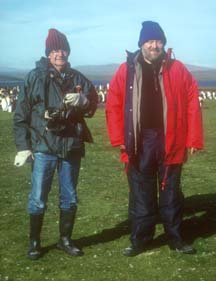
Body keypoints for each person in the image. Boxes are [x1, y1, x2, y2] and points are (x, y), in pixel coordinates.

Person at [106, 21, 203, 256]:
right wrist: (119, 137)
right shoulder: (126, 69)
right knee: (141, 191)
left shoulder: (177, 69)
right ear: (141, 44)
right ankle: (140, 240)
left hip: (171, 138)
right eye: (150, 41)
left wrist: (194, 139)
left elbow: (192, 102)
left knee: (171, 192)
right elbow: (114, 104)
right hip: (139, 140)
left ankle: (176, 238)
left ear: (163, 44)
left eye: (158, 41)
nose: (154, 45)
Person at [13, 28, 98, 260]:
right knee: (38, 197)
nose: (60, 53)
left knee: (69, 196)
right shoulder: (34, 77)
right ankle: (34, 242)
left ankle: (65, 240)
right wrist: (23, 146)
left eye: (63, 49)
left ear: (68, 52)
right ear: (48, 53)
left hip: (71, 145)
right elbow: (21, 114)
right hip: (43, 147)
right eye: (55, 49)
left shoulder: (78, 78)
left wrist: (84, 102)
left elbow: (93, 102)